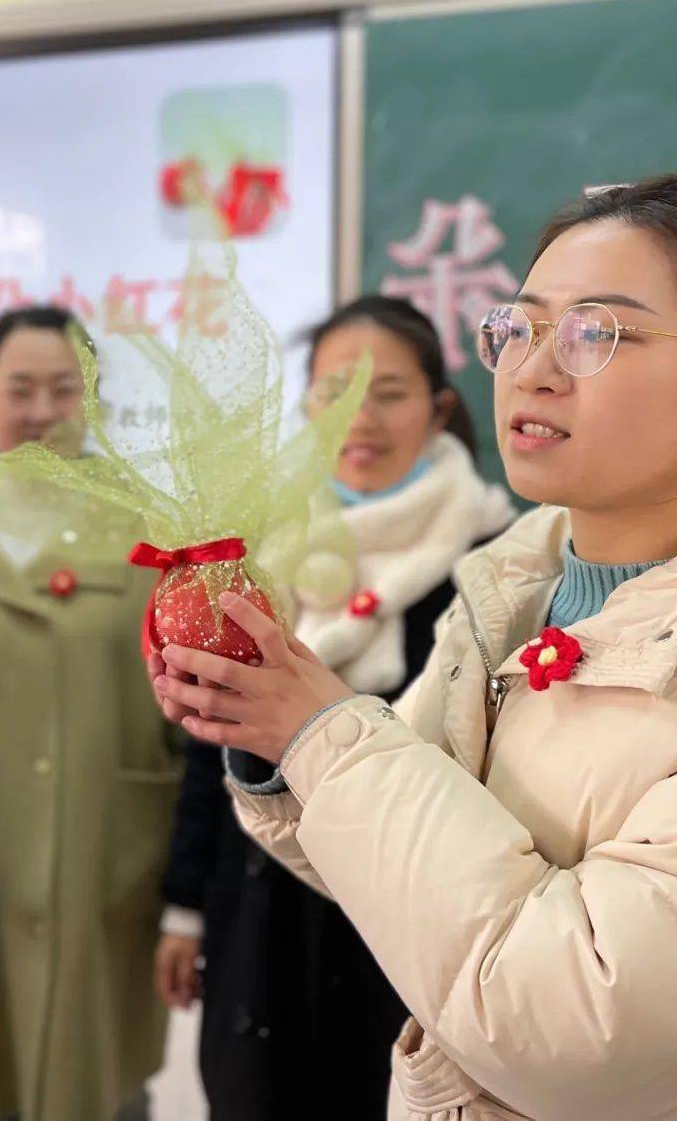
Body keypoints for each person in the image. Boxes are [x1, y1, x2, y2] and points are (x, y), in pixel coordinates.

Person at [152, 176, 677, 1121]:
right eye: (520, 328)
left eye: (597, 333)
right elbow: (388, 867)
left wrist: (325, 731)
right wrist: (271, 733)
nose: (533, 369)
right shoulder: (509, 599)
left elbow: (581, 1024)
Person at [155, 296, 515, 1120]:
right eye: (332, 391)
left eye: (387, 391)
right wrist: (183, 906)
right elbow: (211, 746)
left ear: (438, 407)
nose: (358, 416)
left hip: (419, 933)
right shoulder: (255, 559)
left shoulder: (500, 564)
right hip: (259, 921)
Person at [0, 306, 175, 1121]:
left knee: (94, 1080)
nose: (43, 410)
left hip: (107, 854)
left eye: (65, 388)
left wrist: (189, 894)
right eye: (20, 388)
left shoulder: (151, 524)